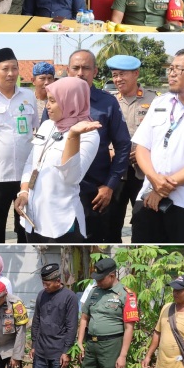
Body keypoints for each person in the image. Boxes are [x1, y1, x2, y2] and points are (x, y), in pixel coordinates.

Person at [131, 48, 184, 243]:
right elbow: (142, 146)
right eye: (170, 68)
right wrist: (154, 180)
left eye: (178, 69)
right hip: (147, 198)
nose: (171, 73)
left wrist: (162, 188)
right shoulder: (160, 102)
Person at [15, 77, 101, 242]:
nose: (47, 105)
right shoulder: (48, 125)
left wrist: (73, 136)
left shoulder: (88, 133)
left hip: (61, 222)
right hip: (33, 216)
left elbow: (72, 177)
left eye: (53, 101)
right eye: (48, 100)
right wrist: (24, 192)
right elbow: (31, 163)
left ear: (71, 101)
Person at [66, 50, 131, 242]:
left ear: (95, 72)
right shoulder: (56, 100)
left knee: (95, 243)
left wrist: (110, 185)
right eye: (75, 68)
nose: (80, 73)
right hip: (61, 190)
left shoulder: (107, 102)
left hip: (95, 192)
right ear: (68, 71)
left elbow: (123, 145)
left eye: (86, 68)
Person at [0, 48, 38, 243]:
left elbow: (34, 129)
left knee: (25, 224)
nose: (11, 73)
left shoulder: (28, 96)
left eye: (15, 68)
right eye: (5, 69)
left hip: (25, 173)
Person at [105, 55, 159, 242]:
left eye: (122, 74)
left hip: (143, 172)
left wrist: (145, 152)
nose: (118, 79)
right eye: (114, 75)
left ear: (136, 73)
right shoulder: (110, 101)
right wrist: (110, 150)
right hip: (116, 172)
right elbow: (103, 132)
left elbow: (160, 133)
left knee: (143, 220)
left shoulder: (155, 100)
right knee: (112, 221)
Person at [22, 264, 78, 368]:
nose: (44, 286)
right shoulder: (41, 295)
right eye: (43, 283)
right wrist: (34, 345)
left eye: (47, 283)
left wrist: (66, 352)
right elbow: (37, 320)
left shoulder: (69, 297)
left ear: (57, 281)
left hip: (59, 351)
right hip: (41, 349)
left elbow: (72, 326)